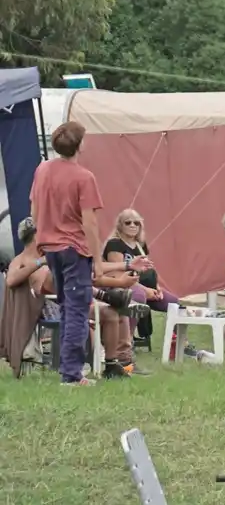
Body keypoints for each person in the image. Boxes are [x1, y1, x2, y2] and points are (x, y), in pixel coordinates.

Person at [29, 121, 149, 386]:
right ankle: (71, 375)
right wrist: (96, 259)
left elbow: (35, 206)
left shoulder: (43, 169)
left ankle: (70, 369)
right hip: (74, 250)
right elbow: (89, 223)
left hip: (51, 249)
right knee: (76, 311)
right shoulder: (84, 177)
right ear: (80, 144)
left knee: (67, 306)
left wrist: (39, 238)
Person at [104, 209, 180, 345]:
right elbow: (118, 275)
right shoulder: (114, 244)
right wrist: (145, 290)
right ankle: (126, 341)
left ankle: (178, 343)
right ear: (120, 225)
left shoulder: (141, 245)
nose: (133, 225)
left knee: (174, 303)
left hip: (142, 286)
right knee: (138, 296)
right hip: (119, 287)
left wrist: (157, 288)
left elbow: (149, 270)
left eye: (136, 223)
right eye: (128, 222)